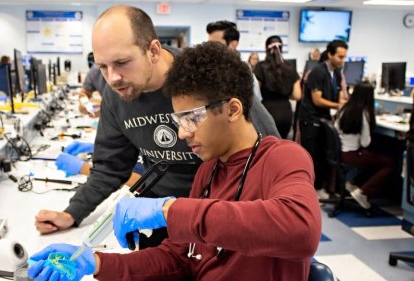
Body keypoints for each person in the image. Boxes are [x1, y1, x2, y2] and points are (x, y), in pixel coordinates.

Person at [28, 41, 321, 281]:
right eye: (178, 120)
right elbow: (179, 257)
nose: (182, 133)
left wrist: (169, 210)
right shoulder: (207, 171)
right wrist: (96, 264)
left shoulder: (283, 157)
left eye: (191, 118)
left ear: (232, 110)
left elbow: (302, 231)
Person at [34, 6, 279, 246]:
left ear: (153, 50)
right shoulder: (116, 95)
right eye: (103, 66)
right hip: (160, 217)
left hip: (220, 218)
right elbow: (110, 167)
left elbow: (269, 152)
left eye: (122, 62)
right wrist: (72, 213)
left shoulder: (204, 76)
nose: (112, 78)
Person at [299, 40, 348, 198]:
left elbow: (339, 92)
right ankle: (307, 192)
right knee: (311, 157)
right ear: (330, 55)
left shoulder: (337, 73)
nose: (343, 60)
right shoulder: (318, 72)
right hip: (311, 119)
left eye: (344, 57)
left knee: (322, 156)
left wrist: (342, 101)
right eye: (340, 57)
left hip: (324, 119)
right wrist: (337, 105)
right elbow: (317, 100)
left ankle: (319, 188)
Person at [335, 81, 395, 209]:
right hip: (352, 155)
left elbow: (336, 129)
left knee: (374, 156)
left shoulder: (343, 108)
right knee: (390, 163)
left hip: (340, 152)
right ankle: (363, 192)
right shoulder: (363, 114)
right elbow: (365, 142)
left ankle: (352, 183)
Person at [254, 35, 301, 139]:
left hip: (266, 111)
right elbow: (297, 95)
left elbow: (255, 93)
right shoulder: (290, 67)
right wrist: (284, 92)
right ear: (281, 48)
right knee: (281, 144)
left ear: (266, 49)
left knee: (266, 146)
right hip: (286, 113)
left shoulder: (260, 67)